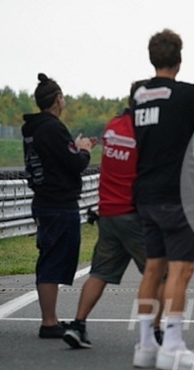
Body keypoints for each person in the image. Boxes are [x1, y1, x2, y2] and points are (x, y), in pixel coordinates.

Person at [131, 29, 194, 370]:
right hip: (176, 194)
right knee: (180, 269)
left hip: (145, 192)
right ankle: (172, 346)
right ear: (179, 58)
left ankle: (146, 344)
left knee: (153, 268)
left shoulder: (138, 94)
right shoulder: (187, 94)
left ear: (152, 57)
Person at [63, 80, 165, 349]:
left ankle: (78, 324)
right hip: (134, 214)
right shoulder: (145, 132)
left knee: (99, 273)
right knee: (159, 274)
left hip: (107, 212)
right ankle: (155, 332)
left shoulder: (112, 126)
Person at [22, 73, 96, 338]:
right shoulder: (52, 128)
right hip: (58, 203)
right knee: (53, 262)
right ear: (57, 99)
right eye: (62, 98)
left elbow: (55, 158)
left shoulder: (33, 129)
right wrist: (83, 150)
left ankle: (50, 319)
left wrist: (73, 147)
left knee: (50, 258)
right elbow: (75, 163)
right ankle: (49, 322)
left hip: (44, 199)